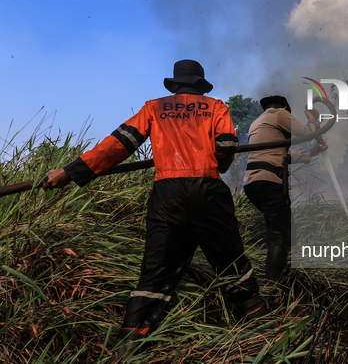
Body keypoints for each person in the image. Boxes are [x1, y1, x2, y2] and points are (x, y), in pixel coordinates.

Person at [43, 59, 267, 360]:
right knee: (230, 262)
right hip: (208, 191)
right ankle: (266, 331)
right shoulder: (216, 107)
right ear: (200, 86)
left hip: (168, 194)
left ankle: (125, 352)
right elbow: (226, 146)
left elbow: (118, 145)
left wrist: (70, 172)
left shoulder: (154, 108)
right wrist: (217, 165)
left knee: (155, 271)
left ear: (174, 86)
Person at [243, 95, 327, 281]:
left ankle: (283, 274)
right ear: (286, 108)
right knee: (279, 235)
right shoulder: (279, 114)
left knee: (285, 230)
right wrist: (312, 118)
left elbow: (279, 156)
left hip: (253, 184)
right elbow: (306, 132)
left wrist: (311, 153)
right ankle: (272, 285)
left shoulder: (257, 123)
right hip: (269, 182)